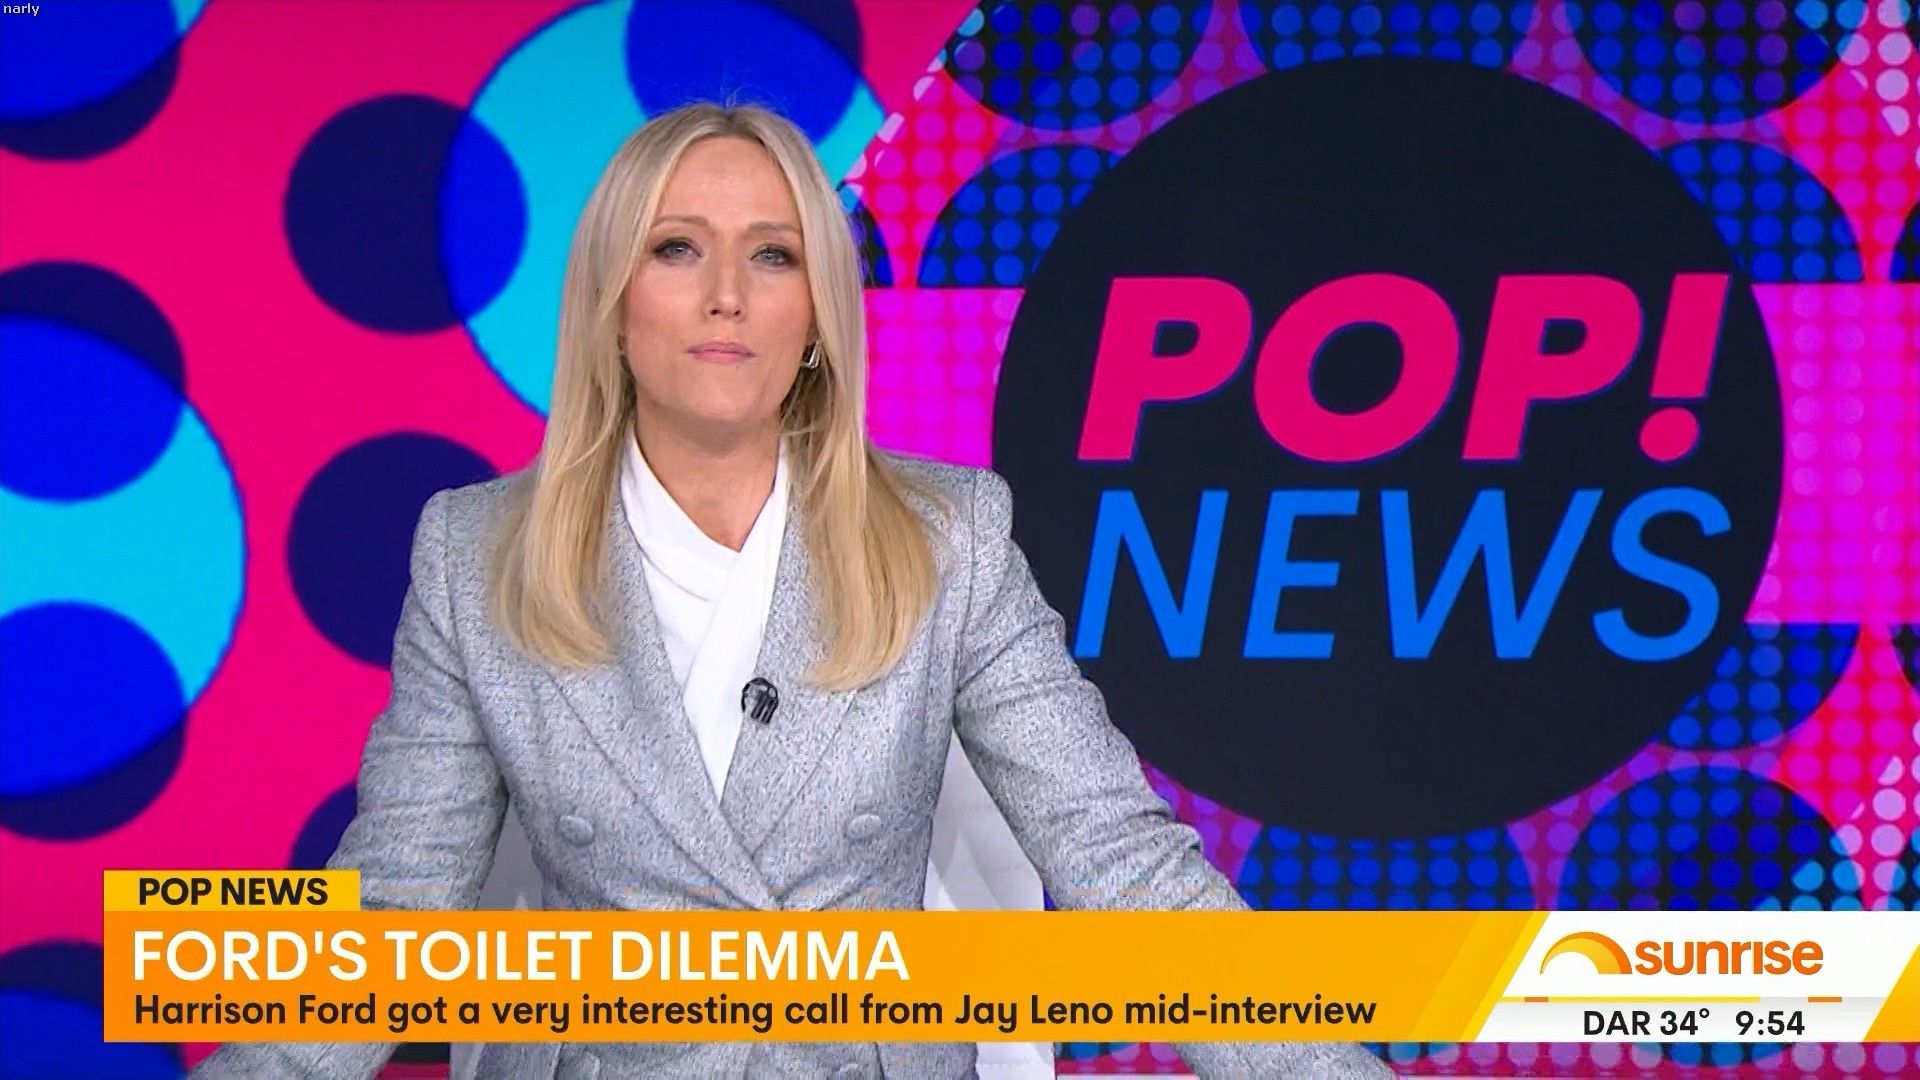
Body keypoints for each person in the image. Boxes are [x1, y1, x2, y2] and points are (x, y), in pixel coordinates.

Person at [194, 101, 1396, 1079]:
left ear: (816, 312)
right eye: (677, 248)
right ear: (612, 300)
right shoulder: (474, 554)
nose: (726, 292)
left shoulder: (950, 538)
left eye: (772, 255)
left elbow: (1123, 867)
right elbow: (393, 907)